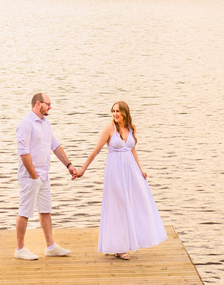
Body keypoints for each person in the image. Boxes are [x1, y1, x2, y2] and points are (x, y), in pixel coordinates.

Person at [77, 100, 167, 259]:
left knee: (136, 203)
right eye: (113, 111)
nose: (115, 114)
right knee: (118, 205)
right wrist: (83, 169)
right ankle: (120, 246)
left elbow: (133, 151)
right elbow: (96, 150)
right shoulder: (110, 128)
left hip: (131, 171)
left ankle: (127, 240)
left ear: (125, 112)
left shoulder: (130, 128)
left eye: (118, 111)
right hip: (115, 171)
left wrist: (141, 170)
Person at [14, 92, 80, 261]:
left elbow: (55, 145)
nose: (50, 107)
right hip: (30, 176)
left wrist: (69, 165)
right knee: (25, 211)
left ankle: (50, 247)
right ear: (38, 104)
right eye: (48, 104)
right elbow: (23, 152)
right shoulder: (26, 124)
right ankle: (19, 249)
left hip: (44, 175)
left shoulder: (45, 124)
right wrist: (34, 175)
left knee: (45, 211)